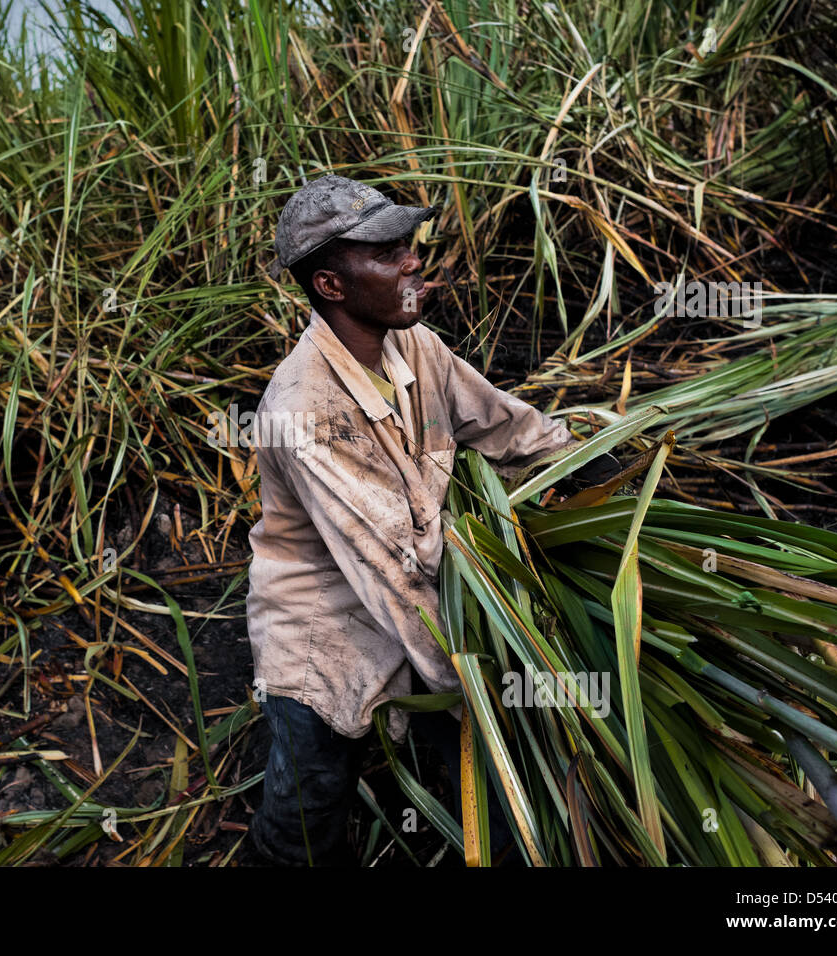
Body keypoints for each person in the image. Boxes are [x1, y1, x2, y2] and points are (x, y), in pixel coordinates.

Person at [246, 173, 619, 866]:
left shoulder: (411, 344)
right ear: (331, 287)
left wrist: (592, 466)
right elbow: (390, 576)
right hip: (327, 626)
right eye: (387, 252)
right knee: (309, 805)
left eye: (407, 243)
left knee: (479, 784)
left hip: (424, 592)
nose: (413, 259)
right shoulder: (305, 411)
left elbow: (500, 422)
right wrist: (480, 682)